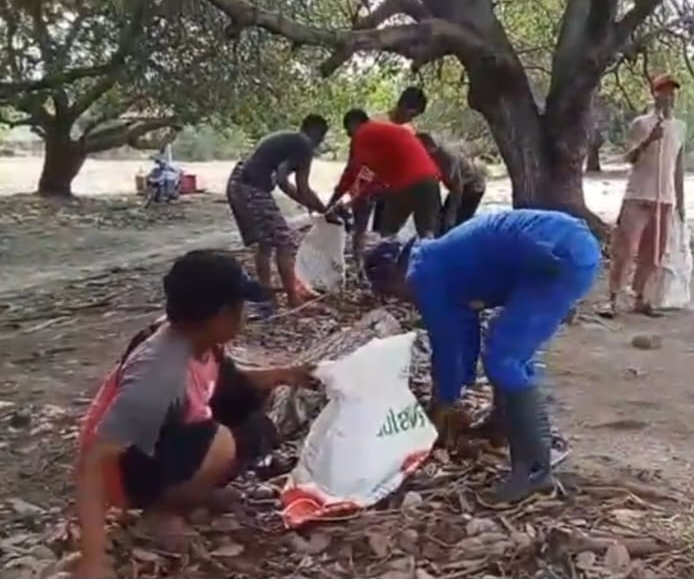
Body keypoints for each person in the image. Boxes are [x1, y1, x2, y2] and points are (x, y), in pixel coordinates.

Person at [75, 250, 319, 578]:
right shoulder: (158, 374)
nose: (244, 316)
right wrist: (93, 559)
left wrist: (283, 374)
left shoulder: (196, 338)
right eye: (240, 308)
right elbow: (94, 459)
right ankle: (161, 509)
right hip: (122, 475)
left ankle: (190, 489)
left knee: (255, 419)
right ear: (221, 315)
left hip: (162, 439)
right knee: (221, 442)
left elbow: (227, 379)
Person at [362, 210, 601, 507]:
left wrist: (444, 404)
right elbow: (465, 331)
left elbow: (448, 346)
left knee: (505, 358)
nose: (400, 300)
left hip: (554, 257)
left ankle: (535, 472)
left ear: (395, 277)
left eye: (392, 294)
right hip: (559, 245)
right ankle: (501, 426)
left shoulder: (424, 277)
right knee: (507, 349)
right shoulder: (435, 261)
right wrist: (453, 389)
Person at [601, 74, 686, 318]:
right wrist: (649, 140)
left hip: (664, 198)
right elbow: (629, 158)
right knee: (625, 249)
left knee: (654, 253)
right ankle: (613, 299)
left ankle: (641, 298)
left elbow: (678, 167)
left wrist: (681, 202)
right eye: (664, 91)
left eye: (672, 92)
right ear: (654, 94)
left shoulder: (680, 127)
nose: (669, 96)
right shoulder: (641, 123)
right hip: (638, 195)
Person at [226, 114, 330, 308]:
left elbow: (287, 184)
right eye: (321, 138)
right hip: (250, 186)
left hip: (240, 182)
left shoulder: (291, 139)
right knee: (284, 240)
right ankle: (292, 297)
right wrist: (324, 209)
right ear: (317, 133)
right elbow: (299, 186)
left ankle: (267, 296)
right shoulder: (304, 144)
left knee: (266, 242)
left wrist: (310, 203)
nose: (319, 143)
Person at [327, 109, 442, 268]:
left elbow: (355, 172)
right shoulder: (384, 131)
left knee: (388, 230)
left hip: (405, 183)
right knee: (427, 233)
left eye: (348, 131)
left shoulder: (363, 134)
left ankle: (387, 271)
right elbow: (371, 174)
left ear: (354, 124)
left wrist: (340, 199)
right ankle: (431, 270)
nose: (349, 136)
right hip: (430, 179)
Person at [370, 87, 429, 233]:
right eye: (411, 113)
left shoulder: (409, 131)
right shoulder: (377, 123)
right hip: (371, 182)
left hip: (394, 187)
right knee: (365, 226)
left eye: (415, 116)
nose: (411, 118)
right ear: (402, 104)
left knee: (386, 231)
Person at [415, 132, 487, 233]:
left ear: (427, 147)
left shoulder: (447, 157)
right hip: (458, 188)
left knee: (457, 224)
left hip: (472, 188)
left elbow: (457, 187)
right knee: (442, 220)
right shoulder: (431, 158)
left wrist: (452, 214)